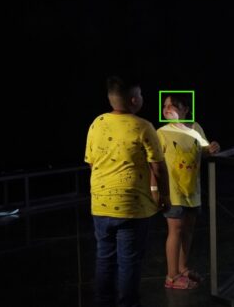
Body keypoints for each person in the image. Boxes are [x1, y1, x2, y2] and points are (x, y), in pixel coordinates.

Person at [85, 75, 169, 307]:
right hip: (132, 207)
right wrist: (164, 195)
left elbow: (91, 162)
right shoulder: (143, 126)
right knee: (129, 261)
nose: (142, 97)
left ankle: (103, 303)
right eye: (140, 94)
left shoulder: (97, 123)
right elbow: (158, 167)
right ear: (133, 100)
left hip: (100, 205)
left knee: (104, 257)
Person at [156, 92, 220, 290]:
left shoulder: (196, 128)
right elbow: (155, 163)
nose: (167, 109)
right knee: (175, 230)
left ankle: (182, 268)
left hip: (192, 191)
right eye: (165, 106)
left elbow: (204, 151)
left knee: (188, 230)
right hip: (173, 192)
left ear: (185, 109)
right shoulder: (162, 133)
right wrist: (157, 191)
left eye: (172, 105)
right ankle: (171, 276)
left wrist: (213, 148)